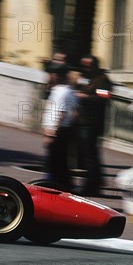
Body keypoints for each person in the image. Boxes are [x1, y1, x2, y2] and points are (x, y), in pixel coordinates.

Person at [74, 55, 112, 196]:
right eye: (83, 66)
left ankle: (91, 186)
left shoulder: (102, 80)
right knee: (88, 155)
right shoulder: (85, 78)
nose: (84, 69)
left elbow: (105, 96)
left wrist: (86, 97)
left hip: (92, 123)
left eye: (87, 66)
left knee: (90, 155)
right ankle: (96, 182)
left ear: (95, 66)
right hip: (82, 121)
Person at [42, 64, 79, 192]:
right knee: (61, 163)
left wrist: (51, 133)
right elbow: (75, 113)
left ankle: (50, 188)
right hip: (64, 130)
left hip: (57, 132)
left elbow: (60, 113)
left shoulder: (60, 92)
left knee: (53, 164)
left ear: (55, 75)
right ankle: (67, 187)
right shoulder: (70, 91)